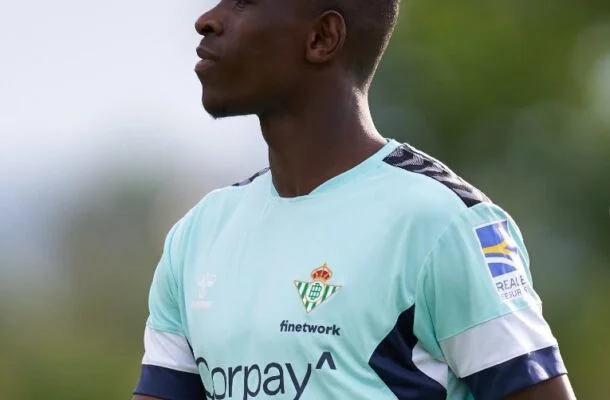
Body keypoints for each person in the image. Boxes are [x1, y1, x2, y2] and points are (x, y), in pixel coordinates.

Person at [132, 1, 576, 399]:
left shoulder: (443, 222)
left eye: (244, 2)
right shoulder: (197, 236)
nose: (207, 19)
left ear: (322, 37)